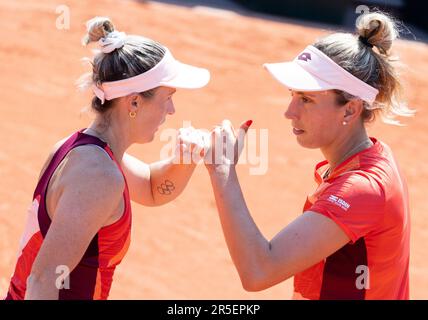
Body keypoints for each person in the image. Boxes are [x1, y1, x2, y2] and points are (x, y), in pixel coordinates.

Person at [205, 11, 413, 299]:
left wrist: (221, 170)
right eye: (293, 94)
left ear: (350, 109)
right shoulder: (371, 158)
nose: (289, 112)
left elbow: (259, 270)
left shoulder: (361, 189)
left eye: (306, 99)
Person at [5, 16, 210, 300]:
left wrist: (187, 158)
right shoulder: (98, 175)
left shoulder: (87, 152)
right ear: (134, 101)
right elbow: (42, 280)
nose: (172, 109)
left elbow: (151, 188)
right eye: (168, 97)